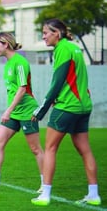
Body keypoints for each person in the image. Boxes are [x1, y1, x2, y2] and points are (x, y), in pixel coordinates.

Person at [31, 19, 101, 206]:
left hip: (66, 107)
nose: (43, 36)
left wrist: (41, 110)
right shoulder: (75, 47)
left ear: (57, 33)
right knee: (85, 151)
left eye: (46, 32)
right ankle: (94, 195)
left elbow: (57, 82)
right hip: (83, 106)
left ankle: (45, 195)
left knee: (51, 149)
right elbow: (74, 78)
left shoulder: (62, 49)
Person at [0, 32, 44, 192]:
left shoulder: (20, 62)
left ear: (6, 44)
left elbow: (22, 89)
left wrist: (8, 110)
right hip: (14, 112)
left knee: (35, 149)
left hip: (26, 111)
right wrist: (11, 111)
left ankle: (45, 183)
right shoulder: (8, 63)